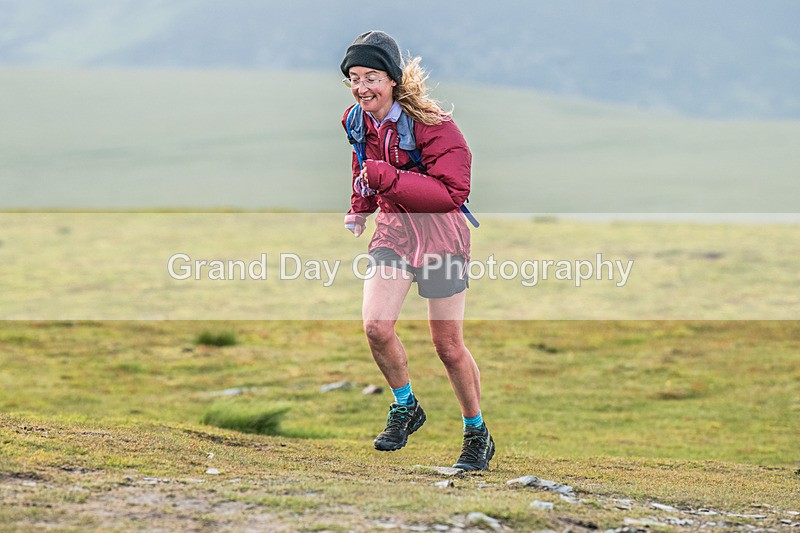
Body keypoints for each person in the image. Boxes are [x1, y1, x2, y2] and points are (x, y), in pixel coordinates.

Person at [339, 30, 494, 471]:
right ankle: (406, 406)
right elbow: (362, 163)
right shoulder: (356, 120)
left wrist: (386, 179)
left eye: (371, 76)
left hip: (441, 234)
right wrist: (360, 207)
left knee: (447, 346)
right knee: (375, 327)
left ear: (392, 79)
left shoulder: (433, 125)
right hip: (393, 231)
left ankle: (476, 432)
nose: (362, 86)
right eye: (354, 77)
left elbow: (453, 192)